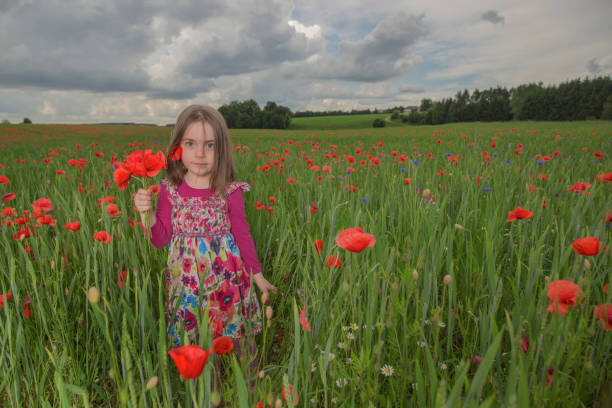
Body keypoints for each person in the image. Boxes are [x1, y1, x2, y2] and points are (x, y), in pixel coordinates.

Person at [133, 105, 277, 355]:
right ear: (177, 147)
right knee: (201, 343)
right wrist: (147, 215)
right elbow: (160, 239)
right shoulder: (169, 190)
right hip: (188, 286)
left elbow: (242, 234)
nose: (200, 153)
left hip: (227, 282)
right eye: (190, 143)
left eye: (210, 145)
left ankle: (252, 386)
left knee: (240, 338)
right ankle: (213, 393)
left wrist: (257, 274)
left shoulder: (229, 191)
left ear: (221, 150)